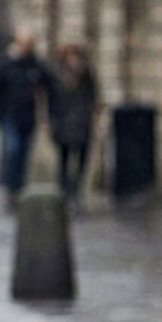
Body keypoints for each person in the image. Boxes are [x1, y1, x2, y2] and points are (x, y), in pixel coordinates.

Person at [0, 27, 53, 205]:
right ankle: (11, 187)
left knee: (24, 152)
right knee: (12, 150)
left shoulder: (35, 64)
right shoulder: (6, 64)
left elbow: (49, 86)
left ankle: (20, 186)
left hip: (28, 115)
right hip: (9, 115)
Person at [50, 41, 100, 204]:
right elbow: (52, 98)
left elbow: (93, 97)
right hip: (63, 122)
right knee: (63, 160)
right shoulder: (57, 74)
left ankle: (76, 190)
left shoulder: (86, 75)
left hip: (81, 122)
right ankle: (65, 189)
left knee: (81, 159)